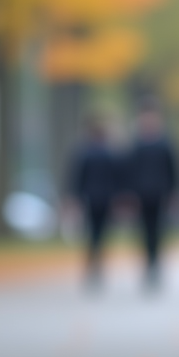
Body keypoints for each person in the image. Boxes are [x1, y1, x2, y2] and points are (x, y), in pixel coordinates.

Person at [126, 106, 178, 288]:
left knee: (158, 230)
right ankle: (148, 263)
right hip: (140, 195)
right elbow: (129, 171)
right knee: (144, 231)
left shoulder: (165, 144)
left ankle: (155, 263)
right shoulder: (136, 144)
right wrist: (128, 194)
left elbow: (174, 170)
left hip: (160, 194)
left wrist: (175, 193)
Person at [69, 118, 122, 288]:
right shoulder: (110, 153)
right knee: (101, 234)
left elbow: (77, 178)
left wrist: (74, 198)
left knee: (92, 233)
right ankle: (97, 265)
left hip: (90, 199)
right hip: (106, 199)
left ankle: (93, 265)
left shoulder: (84, 153)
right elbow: (116, 180)